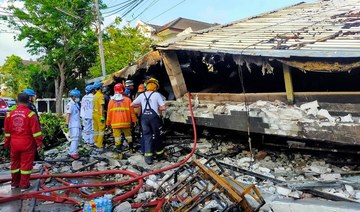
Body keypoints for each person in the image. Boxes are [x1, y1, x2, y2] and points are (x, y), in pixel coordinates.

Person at [4, 93, 43, 191]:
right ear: (28, 101)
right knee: (26, 164)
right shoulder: (30, 114)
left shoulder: (9, 114)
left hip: (14, 143)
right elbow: (36, 131)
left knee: (15, 164)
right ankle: (24, 185)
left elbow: (7, 131)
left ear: (17, 101)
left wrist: (6, 143)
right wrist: (39, 143)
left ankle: (14, 183)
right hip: (27, 143)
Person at [131, 78, 166, 165]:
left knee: (147, 136)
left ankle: (148, 158)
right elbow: (163, 107)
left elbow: (132, 104)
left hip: (144, 118)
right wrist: (159, 108)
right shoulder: (157, 95)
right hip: (154, 118)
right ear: (155, 87)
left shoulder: (142, 95)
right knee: (157, 135)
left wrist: (140, 105)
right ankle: (159, 155)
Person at [106, 83, 137, 155]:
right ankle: (131, 149)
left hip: (115, 124)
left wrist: (108, 123)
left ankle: (119, 153)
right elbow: (132, 112)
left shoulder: (111, 101)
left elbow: (109, 114)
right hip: (126, 123)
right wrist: (134, 120)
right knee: (129, 136)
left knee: (117, 138)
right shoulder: (128, 100)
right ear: (122, 90)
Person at [66, 89, 81, 160]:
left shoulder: (76, 104)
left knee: (77, 138)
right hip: (73, 125)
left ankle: (71, 151)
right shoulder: (70, 104)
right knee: (74, 138)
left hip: (77, 124)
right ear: (73, 97)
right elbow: (68, 114)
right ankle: (73, 153)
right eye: (77, 97)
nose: (78, 98)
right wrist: (67, 123)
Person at [92, 81, 106, 152]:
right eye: (102, 86)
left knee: (96, 130)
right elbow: (101, 107)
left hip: (94, 114)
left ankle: (96, 142)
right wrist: (102, 117)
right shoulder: (101, 96)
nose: (103, 87)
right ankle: (99, 145)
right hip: (99, 115)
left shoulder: (94, 96)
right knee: (101, 130)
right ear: (100, 87)